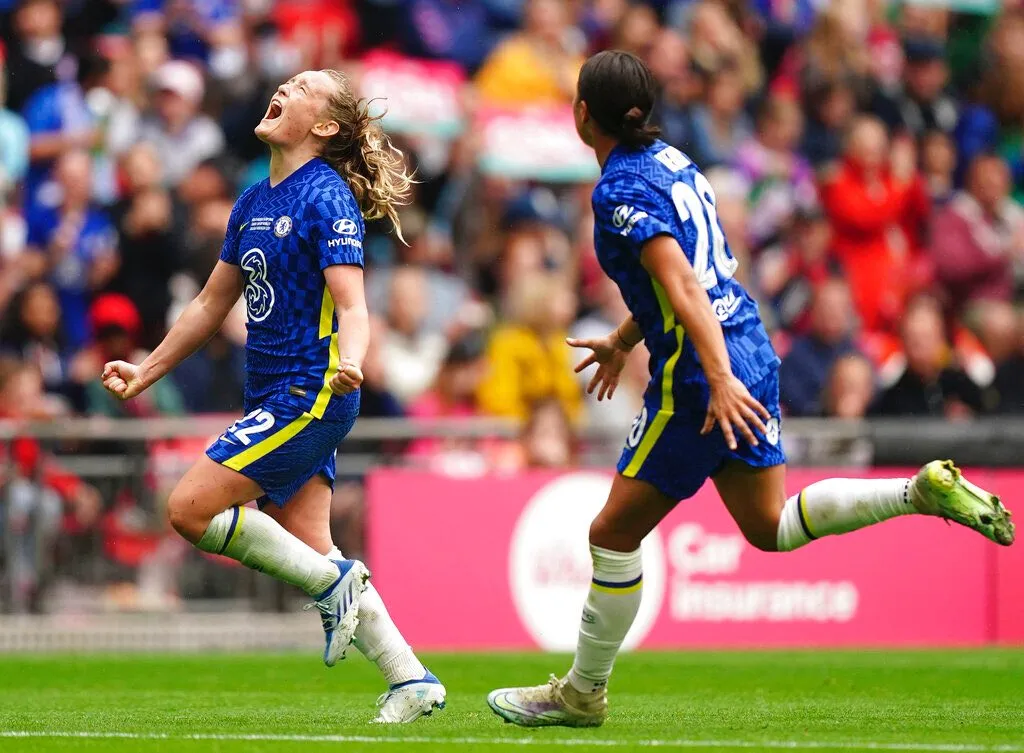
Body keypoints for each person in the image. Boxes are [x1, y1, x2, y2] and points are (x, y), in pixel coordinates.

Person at [487, 50, 1015, 730]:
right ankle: (915, 492)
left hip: (704, 373)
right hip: (750, 344)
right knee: (769, 527)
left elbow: (680, 282)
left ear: (582, 114)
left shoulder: (617, 188)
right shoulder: (675, 162)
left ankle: (583, 692)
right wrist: (625, 340)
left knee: (611, 531)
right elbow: (690, 274)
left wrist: (717, 377)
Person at [99, 68, 445, 723]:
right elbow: (208, 303)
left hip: (312, 392)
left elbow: (354, 304)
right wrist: (148, 370)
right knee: (314, 542)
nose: (285, 83)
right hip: (276, 393)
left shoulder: (326, 197)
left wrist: (355, 358)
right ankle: (410, 677)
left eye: (305, 84)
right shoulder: (254, 199)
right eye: (286, 78)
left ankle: (336, 587)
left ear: (325, 126)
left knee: (189, 507)